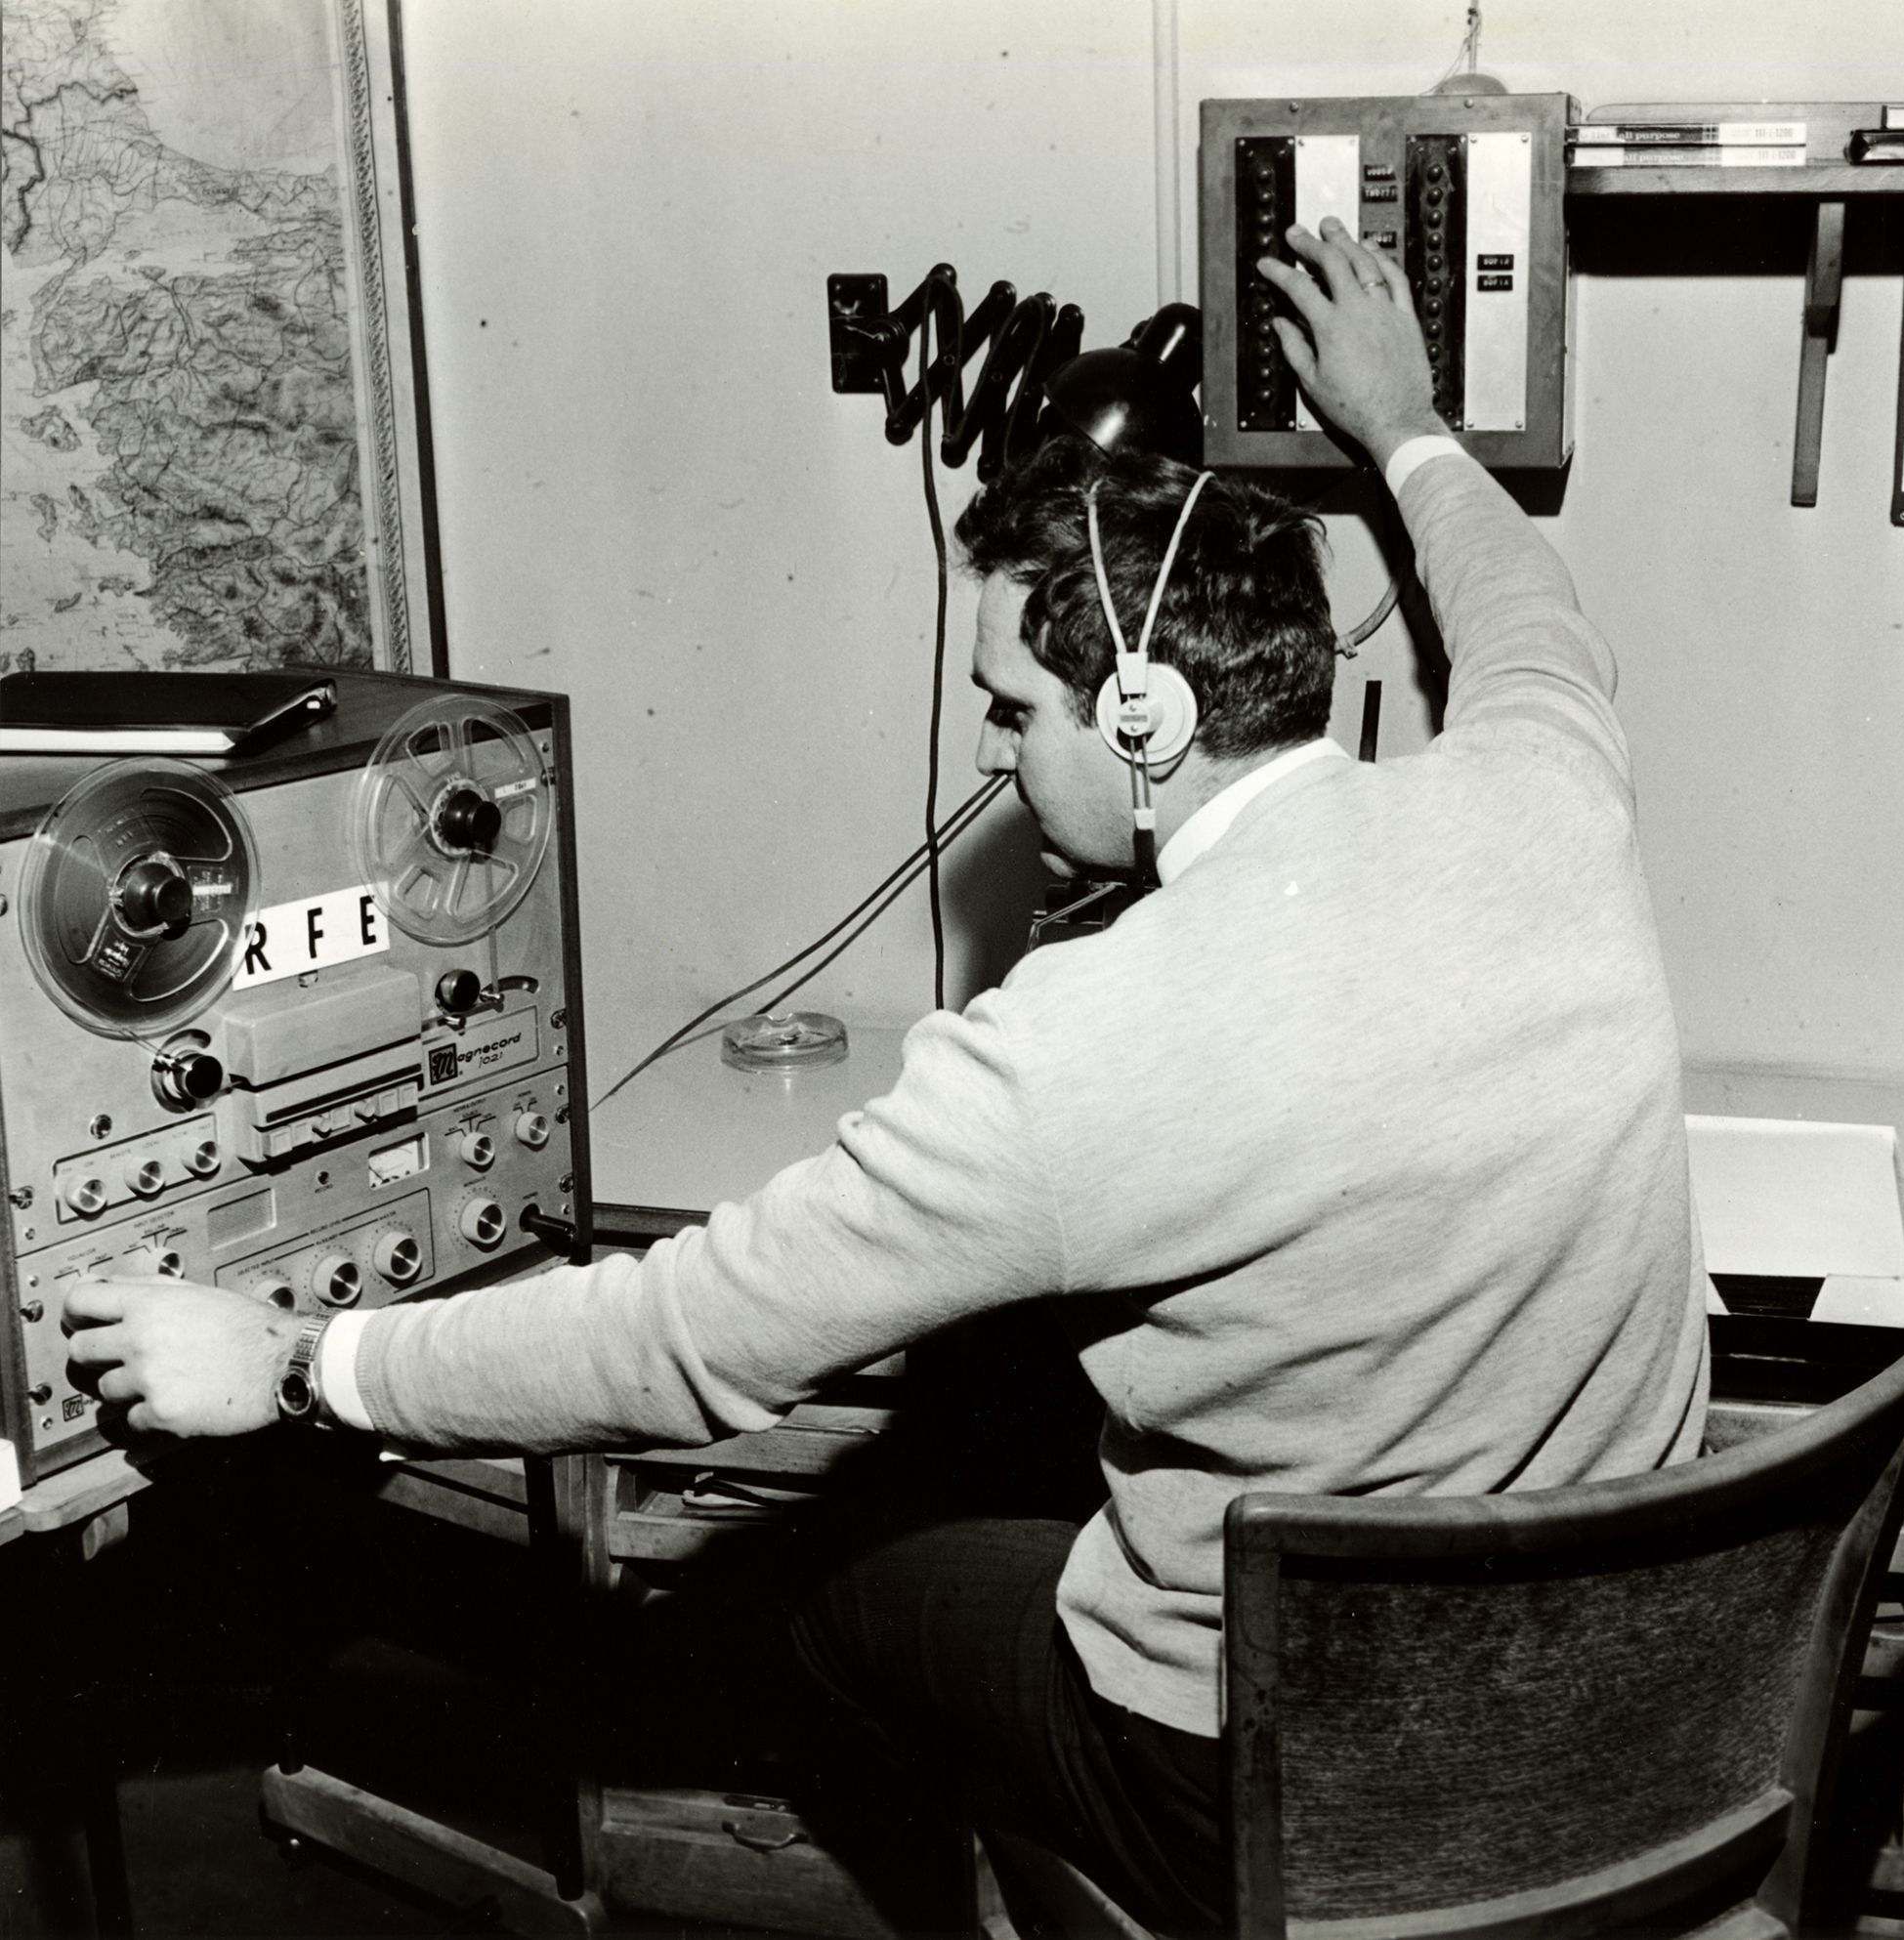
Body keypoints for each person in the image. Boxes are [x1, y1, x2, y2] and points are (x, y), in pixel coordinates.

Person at [63, 217, 1709, 1932]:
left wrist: (302, 1359)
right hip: (1609, 1725)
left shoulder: (1074, 1047)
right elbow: (1524, 601)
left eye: (1013, 709)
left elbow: (683, 1339)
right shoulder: (1551, 785)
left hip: (1289, 1792)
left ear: (1141, 715)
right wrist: (1409, 424)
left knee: (833, 1600)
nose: (998, 755)